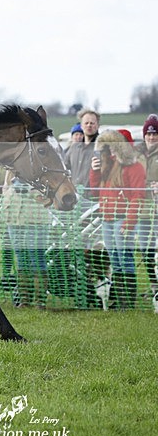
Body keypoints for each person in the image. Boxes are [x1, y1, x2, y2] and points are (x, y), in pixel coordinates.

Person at [88, 129, 146, 309]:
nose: (111, 150)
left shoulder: (134, 167)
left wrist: (129, 222)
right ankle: (120, 299)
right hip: (107, 219)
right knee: (114, 259)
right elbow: (94, 190)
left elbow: (138, 196)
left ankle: (128, 301)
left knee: (125, 258)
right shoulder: (108, 164)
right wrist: (95, 171)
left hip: (122, 219)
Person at [1, 170, 50, 308]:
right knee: (21, 259)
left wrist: (28, 188)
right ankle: (24, 300)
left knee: (36, 258)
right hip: (14, 217)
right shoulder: (11, 166)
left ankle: (40, 301)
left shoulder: (40, 164)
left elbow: (47, 193)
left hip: (35, 219)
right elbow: (6, 186)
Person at [135, 114, 158, 297]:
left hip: (157, 211)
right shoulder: (136, 154)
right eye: (149, 134)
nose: (151, 137)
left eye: (155, 134)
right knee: (145, 250)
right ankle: (154, 286)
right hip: (142, 211)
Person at [65, 109, 100, 189]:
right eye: (86, 123)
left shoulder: (102, 148)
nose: (89, 125)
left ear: (98, 125)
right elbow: (65, 168)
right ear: (81, 125)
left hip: (93, 198)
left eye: (92, 123)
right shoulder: (73, 148)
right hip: (74, 196)